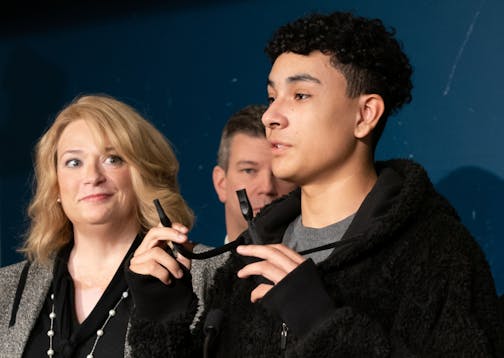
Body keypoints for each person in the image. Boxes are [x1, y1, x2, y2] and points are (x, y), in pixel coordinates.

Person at [127, 11, 503, 357]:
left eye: (300, 95)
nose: (272, 116)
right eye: (272, 96)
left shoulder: (438, 252)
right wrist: (160, 315)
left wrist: (322, 324)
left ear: (365, 114)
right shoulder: (251, 256)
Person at [0, 94, 194, 357]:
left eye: (112, 159)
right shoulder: (6, 289)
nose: (92, 177)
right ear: (55, 185)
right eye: (74, 162)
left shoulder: (204, 278)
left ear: (142, 173)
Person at [211, 104, 296, 244]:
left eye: (280, 171)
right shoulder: (184, 265)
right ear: (221, 183)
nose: (267, 187)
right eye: (249, 170)